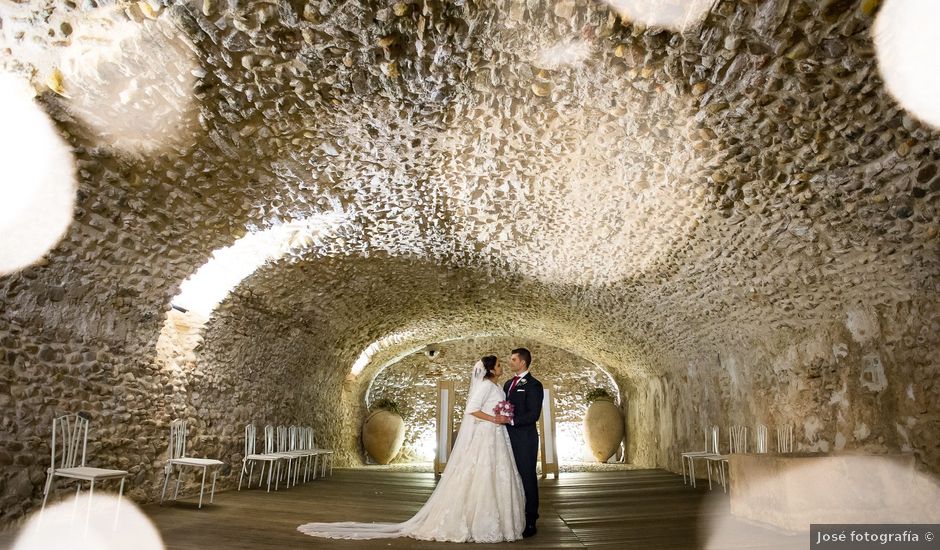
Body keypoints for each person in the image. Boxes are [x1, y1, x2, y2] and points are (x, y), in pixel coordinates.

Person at [297, 355, 525, 542]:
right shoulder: (485, 386)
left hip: (496, 435)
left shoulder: (494, 385)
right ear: (489, 370)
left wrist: (501, 417)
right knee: (482, 475)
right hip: (487, 433)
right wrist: (494, 419)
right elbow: (472, 410)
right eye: (498, 364)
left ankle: (494, 520)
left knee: (494, 475)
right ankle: (477, 522)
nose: (501, 366)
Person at [503, 347, 544, 538]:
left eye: (513, 359)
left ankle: (531, 520)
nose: (510, 362)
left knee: (527, 477)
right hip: (506, 437)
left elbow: (533, 414)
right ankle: (513, 515)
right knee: (510, 475)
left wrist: (510, 421)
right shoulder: (507, 384)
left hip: (525, 439)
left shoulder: (534, 385)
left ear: (523, 362)